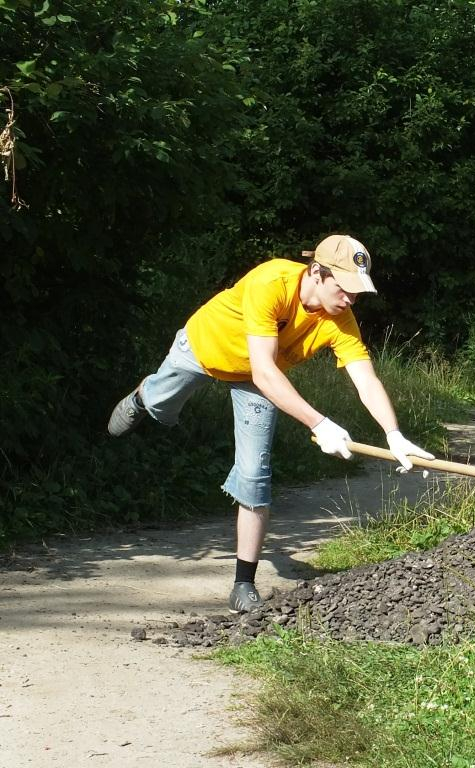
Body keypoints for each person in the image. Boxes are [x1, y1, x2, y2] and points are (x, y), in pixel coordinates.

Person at [107, 234, 434, 612]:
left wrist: (394, 435)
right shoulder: (271, 283)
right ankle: (142, 395)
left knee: (254, 473)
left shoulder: (340, 319)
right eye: (345, 289)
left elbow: (365, 379)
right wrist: (319, 423)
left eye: (358, 293)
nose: (351, 300)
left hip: (259, 380)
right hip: (205, 348)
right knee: (160, 407)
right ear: (316, 273)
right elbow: (264, 369)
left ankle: (243, 584)